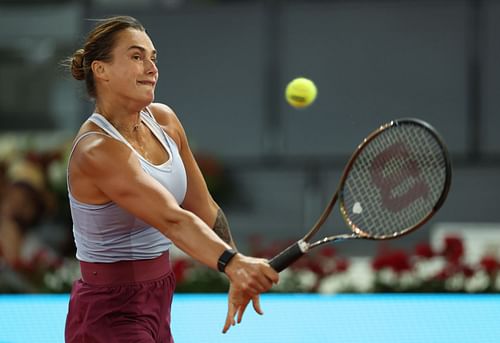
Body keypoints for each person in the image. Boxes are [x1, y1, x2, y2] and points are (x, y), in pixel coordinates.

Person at [64, 15, 279, 342]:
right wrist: (234, 264)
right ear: (100, 70)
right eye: (137, 57)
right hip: (109, 312)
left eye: (153, 58)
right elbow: (173, 219)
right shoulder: (97, 150)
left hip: (159, 302)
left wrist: (237, 269)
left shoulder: (165, 121)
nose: (152, 67)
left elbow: (202, 207)